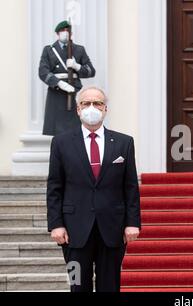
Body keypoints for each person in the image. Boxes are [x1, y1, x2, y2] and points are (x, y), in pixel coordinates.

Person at [47, 87, 141, 292]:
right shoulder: (61, 143)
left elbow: (130, 186)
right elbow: (55, 186)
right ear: (78, 110)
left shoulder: (124, 142)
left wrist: (132, 223)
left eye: (97, 103)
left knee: (110, 286)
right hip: (73, 231)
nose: (92, 108)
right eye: (86, 103)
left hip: (112, 229)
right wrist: (56, 224)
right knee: (77, 285)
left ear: (105, 108)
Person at [39, 20, 96, 136]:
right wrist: (59, 83)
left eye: (67, 31)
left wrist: (77, 66)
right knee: (57, 131)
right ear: (57, 33)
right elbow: (43, 71)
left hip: (74, 91)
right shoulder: (49, 50)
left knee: (75, 129)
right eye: (62, 31)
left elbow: (91, 71)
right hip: (56, 92)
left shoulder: (79, 49)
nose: (65, 33)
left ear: (71, 34)